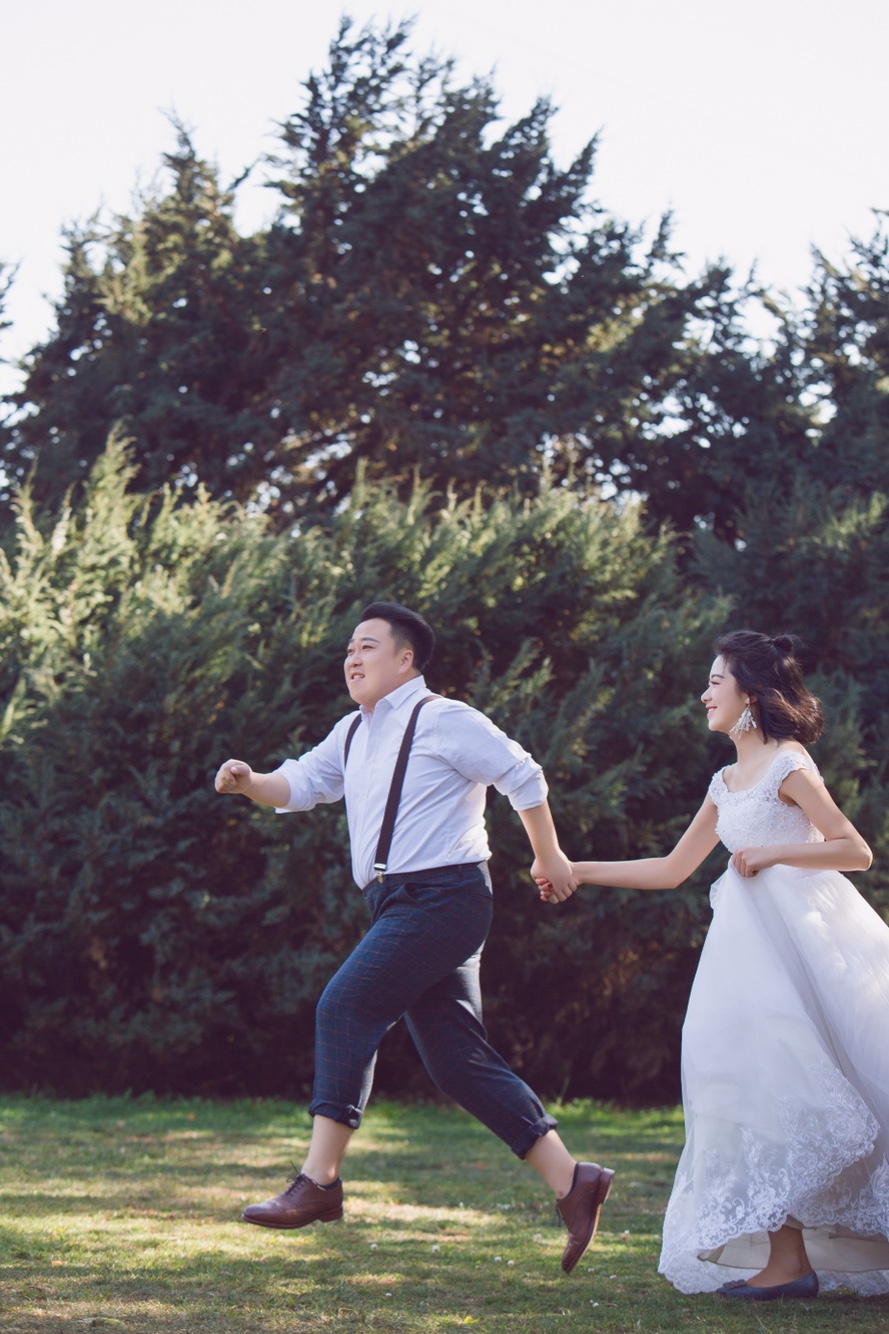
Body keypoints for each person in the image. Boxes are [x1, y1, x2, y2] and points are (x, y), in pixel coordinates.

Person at [215, 600, 614, 1271]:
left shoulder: (443, 718)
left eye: (367, 646)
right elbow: (302, 784)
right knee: (456, 1061)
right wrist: (251, 782)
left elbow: (522, 774)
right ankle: (573, 1180)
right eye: (348, 649)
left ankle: (319, 1182)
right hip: (396, 902)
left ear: (406, 660)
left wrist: (548, 857)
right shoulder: (352, 732)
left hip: (444, 896)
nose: (352, 658)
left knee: (345, 1007)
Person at [537, 630, 889, 1301]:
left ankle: (804, 1257)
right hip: (744, 959)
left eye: (714, 682)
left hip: (800, 951)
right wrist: (574, 869)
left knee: (830, 1083)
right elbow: (671, 869)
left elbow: (854, 850)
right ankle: (787, 1261)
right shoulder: (723, 784)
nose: (703, 695)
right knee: (751, 1086)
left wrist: (772, 854)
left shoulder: (789, 764)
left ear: (749, 694)